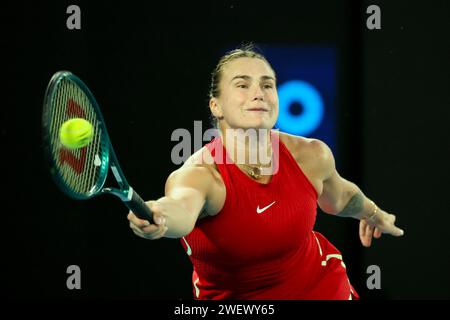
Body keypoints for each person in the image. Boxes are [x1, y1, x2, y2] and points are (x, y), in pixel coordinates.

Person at [127, 45, 405, 300]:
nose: (258, 93)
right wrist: (159, 216)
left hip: (322, 289)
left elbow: (342, 197)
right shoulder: (201, 175)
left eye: (267, 84)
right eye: (242, 85)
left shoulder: (310, 155)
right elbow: (180, 206)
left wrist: (373, 213)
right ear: (216, 106)